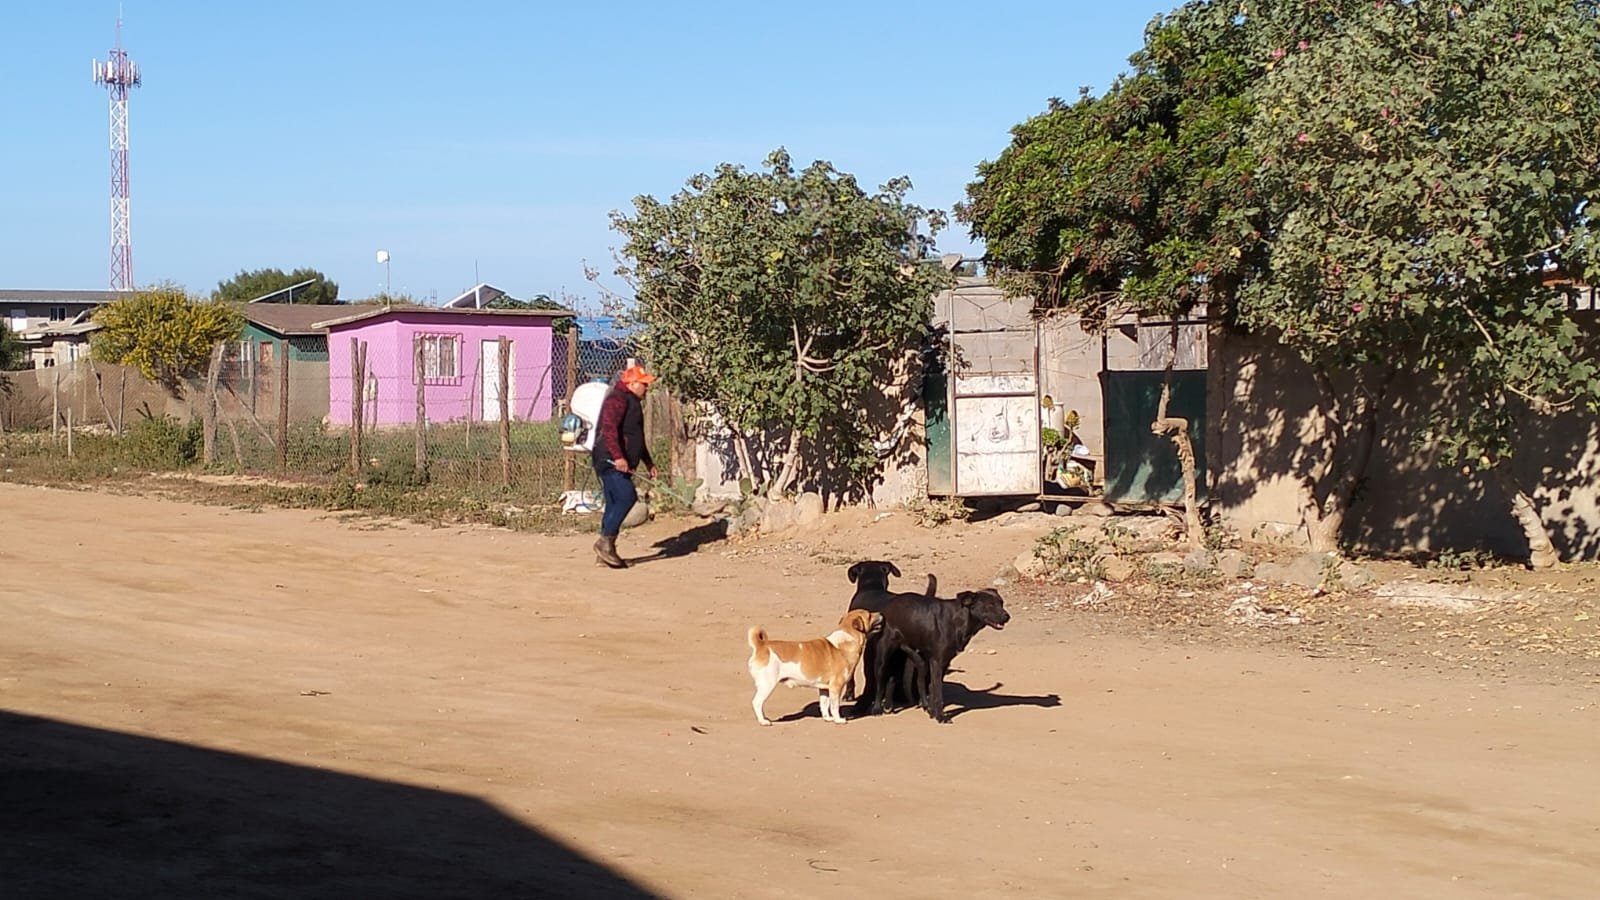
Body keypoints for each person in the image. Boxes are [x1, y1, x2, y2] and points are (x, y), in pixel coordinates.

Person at [591, 363, 658, 568]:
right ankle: (605, 543)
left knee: (614, 502)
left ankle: (605, 553)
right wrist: (618, 457)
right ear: (632, 383)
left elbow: (636, 436)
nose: (647, 388)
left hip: (619, 460)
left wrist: (648, 462)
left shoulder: (632, 402)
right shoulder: (618, 399)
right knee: (626, 497)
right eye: (644, 384)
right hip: (610, 460)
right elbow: (609, 429)